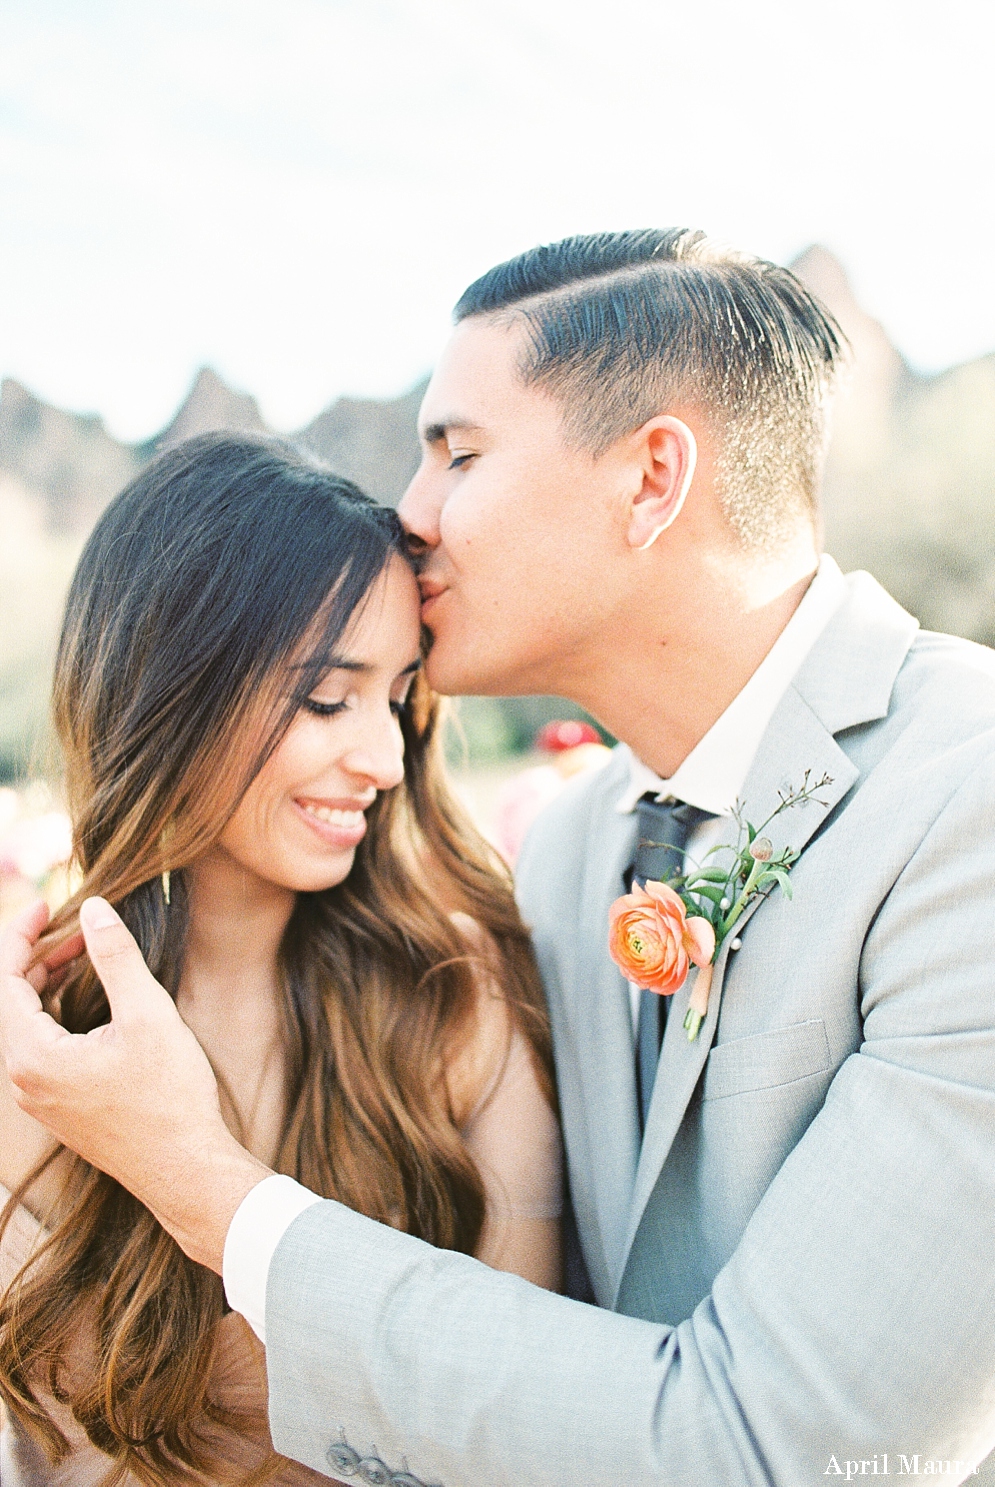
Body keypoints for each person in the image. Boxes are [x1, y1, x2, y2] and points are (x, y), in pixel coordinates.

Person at [4, 228, 995, 1487]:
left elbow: (785, 1450)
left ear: (650, 479)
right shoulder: (578, 847)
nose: (409, 517)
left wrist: (203, 1182)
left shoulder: (967, 804)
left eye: (457, 456)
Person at [0, 434, 561, 1485]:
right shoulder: (27, 1044)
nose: (386, 760)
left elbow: (514, 1421)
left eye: (396, 696)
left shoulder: (458, 1001)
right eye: (324, 696)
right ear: (170, 686)